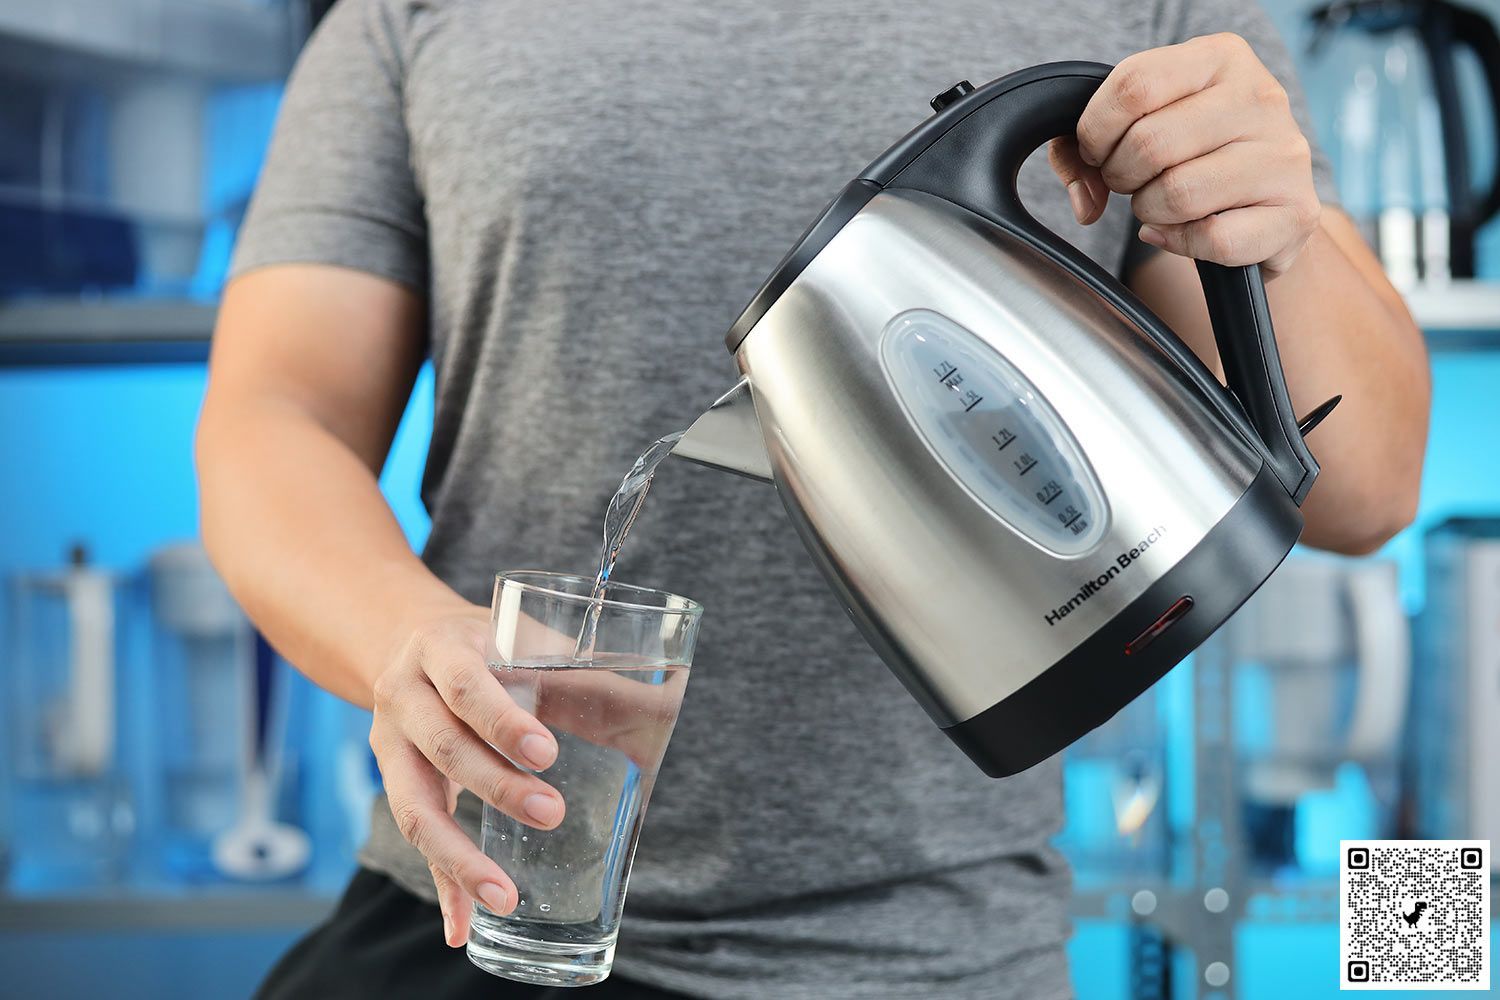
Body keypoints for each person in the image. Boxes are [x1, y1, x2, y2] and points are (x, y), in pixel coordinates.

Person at [196, 1, 1430, 997]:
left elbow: (1368, 491)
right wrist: (402, 636)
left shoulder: (1163, 10)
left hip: (939, 957)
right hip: (481, 910)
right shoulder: (405, 17)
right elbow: (274, 416)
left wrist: (1284, 234)